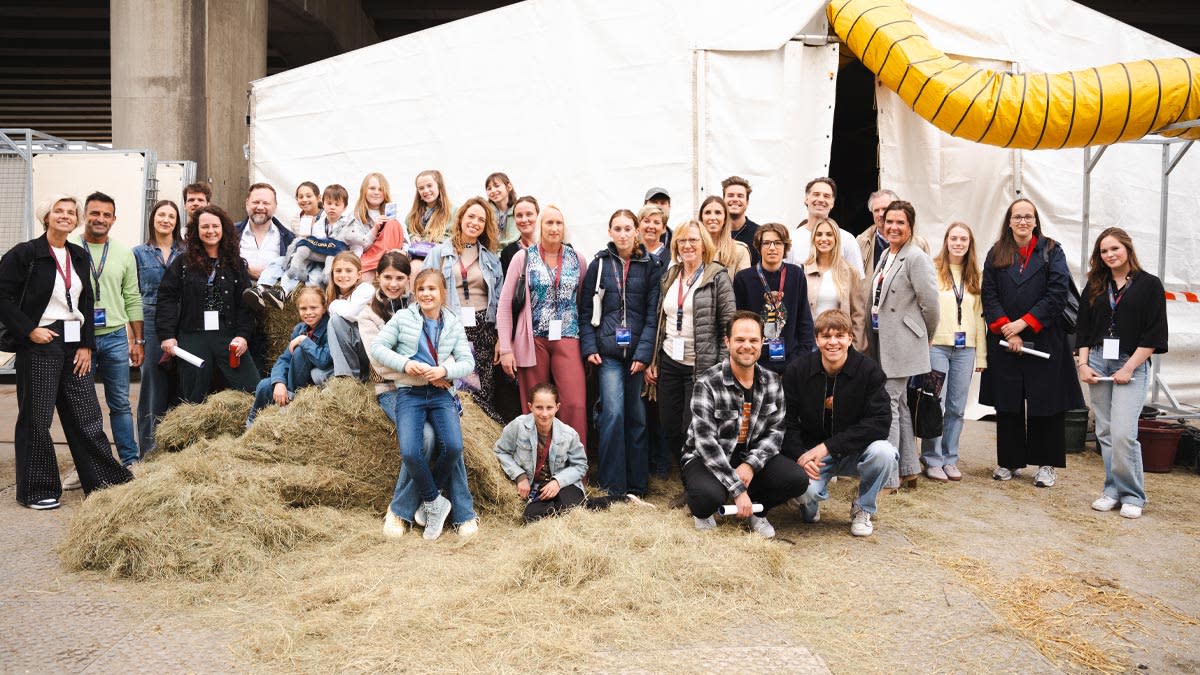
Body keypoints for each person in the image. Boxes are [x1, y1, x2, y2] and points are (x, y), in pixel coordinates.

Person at [0, 195, 132, 510]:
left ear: (76, 220)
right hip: (40, 341)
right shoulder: (26, 254)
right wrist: (28, 330)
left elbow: (86, 302)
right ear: (46, 217)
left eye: (71, 212)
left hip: (75, 341)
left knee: (87, 415)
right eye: (58, 211)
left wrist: (87, 344)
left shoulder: (78, 255)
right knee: (37, 418)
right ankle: (38, 490)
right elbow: (2, 296)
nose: (65, 216)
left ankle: (104, 482)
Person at [980, 198, 1083, 487]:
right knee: (1008, 403)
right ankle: (1009, 461)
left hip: (1045, 338)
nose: (1023, 221)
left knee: (1046, 404)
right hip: (1005, 340)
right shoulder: (996, 252)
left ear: (1036, 221)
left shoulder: (1052, 250)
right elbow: (989, 294)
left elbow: (1057, 293)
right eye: (1017, 217)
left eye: (1028, 216)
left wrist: (1024, 324)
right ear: (1009, 222)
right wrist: (1008, 330)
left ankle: (1046, 464)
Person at [681, 311, 809, 538]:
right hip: (708, 457)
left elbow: (776, 433)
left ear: (762, 342)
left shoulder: (772, 381)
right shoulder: (707, 383)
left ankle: (757, 510)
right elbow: (705, 443)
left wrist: (750, 465)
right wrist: (738, 490)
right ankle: (705, 511)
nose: (747, 346)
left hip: (749, 456)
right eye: (739, 339)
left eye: (753, 340)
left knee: (797, 479)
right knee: (708, 496)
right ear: (727, 342)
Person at [372, 268, 477, 541]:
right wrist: (405, 364)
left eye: (432, 289)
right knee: (411, 451)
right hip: (410, 394)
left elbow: (467, 362)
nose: (426, 294)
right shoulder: (403, 318)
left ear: (443, 293)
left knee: (453, 447)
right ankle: (434, 501)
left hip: (441, 393)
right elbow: (378, 348)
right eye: (421, 289)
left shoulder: (453, 322)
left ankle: (433, 500)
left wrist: (445, 370)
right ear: (415, 293)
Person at [1077, 228, 1167, 519]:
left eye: (1114, 248)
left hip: (1132, 362)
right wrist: (1083, 364)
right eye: (1104, 251)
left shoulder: (1149, 285)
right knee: (1104, 431)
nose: (1109, 255)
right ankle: (1112, 490)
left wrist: (1129, 368)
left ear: (1127, 248)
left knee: (1123, 433)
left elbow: (1155, 333)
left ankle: (1133, 495)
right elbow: (1083, 328)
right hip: (1098, 360)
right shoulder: (1095, 284)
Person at [784, 309, 898, 537]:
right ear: (817, 339)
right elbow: (786, 421)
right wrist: (800, 455)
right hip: (813, 456)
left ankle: (863, 507)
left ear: (850, 338)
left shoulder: (869, 371)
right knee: (804, 492)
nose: (833, 342)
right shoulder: (797, 370)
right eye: (826, 336)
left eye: (839, 336)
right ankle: (809, 504)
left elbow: (880, 422)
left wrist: (828, 447)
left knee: (884, 453)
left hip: (854, 452)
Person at [580, 209, 664, 498]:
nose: (623, 234)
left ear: (637, 231)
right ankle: (613, 485)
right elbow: (585, 311)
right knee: (613, 414)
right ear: (610, 232)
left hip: (638, 354)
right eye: (618, 228)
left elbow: (653, 315)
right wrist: (590, 347)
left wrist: (644, 354)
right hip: (609, 355)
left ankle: (637, 485)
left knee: (637, 416)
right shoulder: (599, 264)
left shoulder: (651, 265)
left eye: (628, 228)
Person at [644, 220, 736, 472]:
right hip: (670, 362)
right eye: (682, 240)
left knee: (692, 429)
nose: (687, 245)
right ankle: (688, 476)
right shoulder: (671, 276)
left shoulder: (717, 277)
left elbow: (729, 327)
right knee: (669, 427)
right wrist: (654, 361)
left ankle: (696, 482)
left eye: (693, 240)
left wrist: (720, 368)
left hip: (701, 366)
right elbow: (662, 321)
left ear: (704, 244)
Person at [497, 204, 589, 445]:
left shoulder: (577, 259)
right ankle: (537, 462)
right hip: (532, 340)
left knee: (574, 404)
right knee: (537, 408)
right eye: (549, 222)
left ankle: (573, 462)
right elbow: (505, 305)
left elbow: (583, 302)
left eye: (559, 223)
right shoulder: (523, 257)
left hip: (568, 337)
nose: (554, 228)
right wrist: (506, 348)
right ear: (540, 226)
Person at [865, 200, 939, 490]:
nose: (893, 227)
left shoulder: (916, 257)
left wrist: (924, 336)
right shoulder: (887, 253)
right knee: (901, 404)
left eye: (900, 223)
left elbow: (931, 305)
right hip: (883, 339)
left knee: (889, 404)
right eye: (889, 221)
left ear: (910, 226)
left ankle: (888, 476)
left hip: (903, 341)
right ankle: (909, 468)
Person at [156, 205, 261, 404]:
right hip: (193, 336)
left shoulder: (236, 264)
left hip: (228, 336)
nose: (210, 231)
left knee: (253, 389)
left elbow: (246, 304)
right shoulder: (183, 262)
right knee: (192, 399)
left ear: (224, 229)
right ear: (196, 230)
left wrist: (242, 335)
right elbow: (166, 298)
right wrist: (167, 335)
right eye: (205, 227)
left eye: (215, 226)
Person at [73, 192, 144, 470]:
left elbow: (132, 297)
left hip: (115, 337)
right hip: (80, 339)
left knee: (120, 404)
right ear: (84, 216)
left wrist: (138, 340)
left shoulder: (124, 253)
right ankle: (87, 466)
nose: (100, 219)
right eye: (95, 213)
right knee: (82, 408)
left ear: (114, 219)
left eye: (106, 215)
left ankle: (130, 460)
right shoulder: (69, 247)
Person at [424, 196, 505, 422]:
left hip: (483, 330)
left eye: (481, 219)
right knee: (456, 385)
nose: (475, 222)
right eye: (471, 216)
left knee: (483, 388)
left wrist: (501, 337)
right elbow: (422, 291)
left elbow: (500, 301)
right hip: (451, 327)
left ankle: (481, 436)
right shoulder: (439, 253)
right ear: (460, 218)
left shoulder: (491, 259)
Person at [921, 223, 987, 482]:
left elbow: (979, 318)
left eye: (963, 239)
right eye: (954, 238)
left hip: (965, 349)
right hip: (936, 346)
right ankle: (932, 458)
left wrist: (981, 355)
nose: (958, 243)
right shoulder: (933, 270)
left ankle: (950, 458)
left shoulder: (975, 276)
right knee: (934, 403)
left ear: (969, 244)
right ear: (946, 241)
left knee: (957, 408)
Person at [493, 383, 590, 521]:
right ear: (530, 406)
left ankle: (565, 509)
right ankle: (562, 509)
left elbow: (580, 465)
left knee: (570, 507)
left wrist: (558, 482)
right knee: (530, 517)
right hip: (537, 488)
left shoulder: (569, 434)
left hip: (563, 485)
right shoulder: (518, 426)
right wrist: (520, 476)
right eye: (539, 407)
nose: (544, 414)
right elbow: (501, 451)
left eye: (549, 407)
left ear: (557, 407)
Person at [132, 199, 184, 457]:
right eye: (161, 215)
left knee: (179, 384)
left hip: (182, 321)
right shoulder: (138, 253)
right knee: (153, 387)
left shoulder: (186, 252)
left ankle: (175, 450)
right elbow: (132, 298)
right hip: (150, 322)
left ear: (177, 222)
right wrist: (136, 340)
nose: (166, 220)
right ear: (152, 219)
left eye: (171, 216)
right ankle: (149, 452)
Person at [732, 222, 813, 374]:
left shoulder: (796, 275)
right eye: (766, 243)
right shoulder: (744, 279)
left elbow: (805, 321)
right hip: (755, 363)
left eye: (778, 243)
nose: (772, 248)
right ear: (759, 246)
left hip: (792, 362)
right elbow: (739, 324)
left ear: (785, 246)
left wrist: (799, 360)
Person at [246, 285, 332, 425]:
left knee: (301, 351)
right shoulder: (299, 329)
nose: (308, 312)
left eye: (314, 308)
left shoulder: (329, 327)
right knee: (264, 385)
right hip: (294, 377)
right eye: (303, 308)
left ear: (324, 308)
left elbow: (324, 360)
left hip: (313, 381)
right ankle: (251, 424)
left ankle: (288, 400)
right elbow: (285, 359)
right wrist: (279, 382)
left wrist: (304, 341)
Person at [804, 219, 867, 351]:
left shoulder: (850, 272)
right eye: (819, 234)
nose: (824, 239)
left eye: (829, 234)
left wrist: (855, 348)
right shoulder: (802, 271)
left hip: (839, 343)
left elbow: (858, 314)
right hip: (811, 344)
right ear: (813, 238)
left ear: (836, 238)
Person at [786, 177, 865, 276]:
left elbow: (857, 279)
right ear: (806, 199)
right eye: (816, 194)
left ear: (832, 203)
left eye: (826, 196)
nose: (821, 199)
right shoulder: (791, 239)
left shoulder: (847, 239)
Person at [857, 189, 929, 275]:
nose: (880, 214)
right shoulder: (861, 242)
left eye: (885, 209)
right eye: (876, 210)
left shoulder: (918, 243)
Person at [235, 183, 296, 284]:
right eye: (256, 202)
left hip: (272, 292)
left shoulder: (289, 238)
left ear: (275, 206)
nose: (260, 207)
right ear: (247, 203)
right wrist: (245, 268)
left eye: (266, 203)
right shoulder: (231, 232)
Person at [355, 172, 407, 279]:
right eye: (372, 188)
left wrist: (403, 252)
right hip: (369, 256)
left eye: (380, 189)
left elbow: (405, 241)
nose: (376, 192)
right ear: (364, 190)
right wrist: (375, 229)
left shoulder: (393, 212)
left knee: (392, 223)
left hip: (391, 256)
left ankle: (384, 263)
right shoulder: (356, 216)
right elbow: (359, 247)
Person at [403, 169, 454, 268]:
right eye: (421, 188)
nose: (426, 191)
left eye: (429, 186)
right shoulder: (412, 215)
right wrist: (413, 237)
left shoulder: (453, 212)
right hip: (416, 257)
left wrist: (433, 243)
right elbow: (406, 234)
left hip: (440, 258)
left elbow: (455, 237)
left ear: (439, 186)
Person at [699, 195, 751, 274]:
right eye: (708, 213)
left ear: (725, 218)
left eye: (718, 213)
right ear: (701, 218)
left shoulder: (740, 251)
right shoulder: (692, 250)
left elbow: (744, 281)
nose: (712, 217)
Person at [722, 176, 759, 264]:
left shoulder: (759, 234)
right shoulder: (713, 232)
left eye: (740, 196)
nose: (735, 199)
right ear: (723, 200)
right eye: (730, 195)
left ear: (747, 202)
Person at [500, 195, 539, 276]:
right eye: (519, 215)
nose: (524, 219)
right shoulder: (507, 253)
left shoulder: (555, 247)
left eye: (529, 214)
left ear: (537, 216)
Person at [485, 172, 519, 246]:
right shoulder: (485, 212)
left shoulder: (519, 210)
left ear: (509, 186)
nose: (493, 190)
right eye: (489, 188)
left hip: (514, 250)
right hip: (490, 250)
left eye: (497, 186)